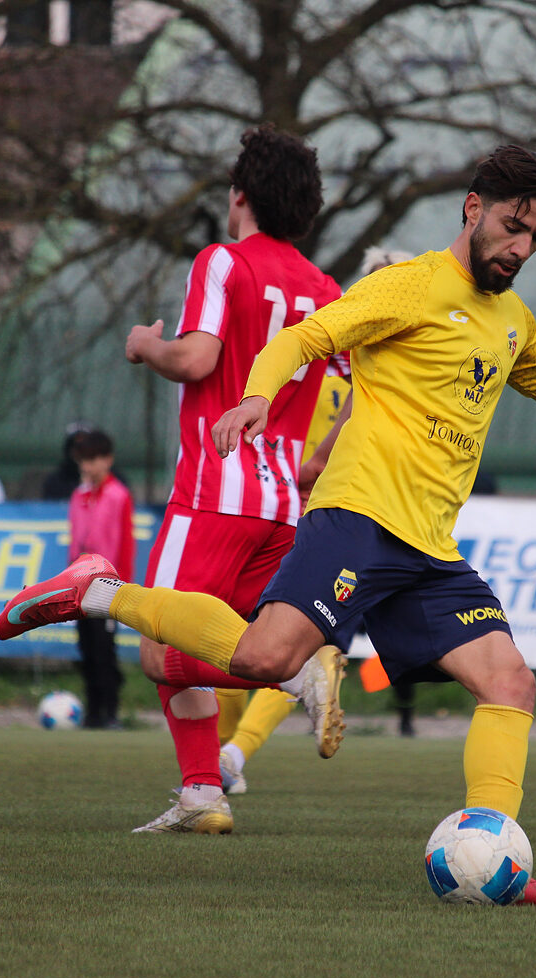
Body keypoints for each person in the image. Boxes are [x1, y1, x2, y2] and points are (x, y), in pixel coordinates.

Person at [0, 143, 536, 904]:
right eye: (513, 227)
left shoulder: (512, 319)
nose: (521, 248)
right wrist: (257, 396)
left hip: (429, 550)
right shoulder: (408, 286)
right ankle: (96, 592)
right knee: (264, 659)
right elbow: (302, 338)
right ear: (473, 209)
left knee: (509, 681)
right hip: (357, 517)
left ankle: (496, 858)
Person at [118, 124, 350, 834]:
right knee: (215, 643)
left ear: (240, 195)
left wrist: (145, 344)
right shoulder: (324, 289)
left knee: (159, 649)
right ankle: (201, 795)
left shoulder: (223, 261)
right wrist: (318, 460)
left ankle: (298, 675)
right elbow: (368, 390)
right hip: (282, 503)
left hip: (214, 492)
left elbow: (196, 359)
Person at [216, 248, 414, 793]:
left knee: (255, 635)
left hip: (301, 506)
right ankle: (227, 754)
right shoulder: (376, 365)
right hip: (335, 513)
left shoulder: (324, 354)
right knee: (296, 645)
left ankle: (222, 757)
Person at [68, 430, 135, 728]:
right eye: (82, 460)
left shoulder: (118, 495)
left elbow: (126, 544)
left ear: (107, 460)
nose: (87, 466)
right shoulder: (78, 496)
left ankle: (110, 712)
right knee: (86, 648)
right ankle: (92, 713)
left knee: (104, 649)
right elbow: (75, 542)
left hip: (107, 585)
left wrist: (123, 587)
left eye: (92, 459)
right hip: (78, 585)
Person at [42, 421, 96, 500]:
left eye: (85, 446)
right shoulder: (55, 481)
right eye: (76, 447)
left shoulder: (108, 480)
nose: (81, 451)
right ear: (69, 450)